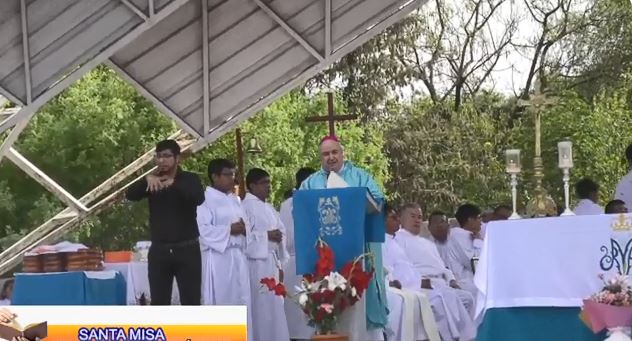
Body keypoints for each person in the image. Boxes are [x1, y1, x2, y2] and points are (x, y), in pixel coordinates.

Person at [299, 135, 388, 339]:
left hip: (356, 251)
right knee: (325, 299)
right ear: (320, 157)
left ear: (342, 153)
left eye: (334, 152)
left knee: (357, 304)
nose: (330, 157)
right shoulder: (310, 183)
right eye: (325, 154)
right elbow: (301, 208)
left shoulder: (360, 176)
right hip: (324, 253)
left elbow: (378, 202)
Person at [126, 139, 205, 305]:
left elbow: (198, 197)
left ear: (177, 159)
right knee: (159, 302)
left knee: (191, 301)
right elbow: (130, 194)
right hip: (159, 251)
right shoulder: (153, 181)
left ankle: (192, 332)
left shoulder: (189, 179)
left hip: (187, 249)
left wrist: (174, 184)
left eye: (167, 156)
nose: (162, 160)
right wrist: (146, 179)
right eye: (159, 156)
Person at [393, 203, 476, 340]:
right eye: (412, 216)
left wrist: (452, 280)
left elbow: (443, 267)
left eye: (419, 217)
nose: (417, 220)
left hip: (442, 283)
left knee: (467, 298)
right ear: (401, 219)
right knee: (440, 301)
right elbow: (402, 268)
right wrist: (419, 281)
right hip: (422, 285)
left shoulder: (428, 243)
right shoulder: (397, 240)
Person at [196, 159, 253, 339]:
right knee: (223, 303)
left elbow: (247, 225)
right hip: (219, 258)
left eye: (233, 174)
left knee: (242, 302)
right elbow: (202, 230)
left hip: (238, 258)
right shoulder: (204, 200)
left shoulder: (235, 200)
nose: (232, 179)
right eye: (228, 174)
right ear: (215, 176)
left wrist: (245, 229)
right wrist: (229, 230)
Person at [242, 168, 290, 341]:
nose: (268, 187)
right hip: (256, 265)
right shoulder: (245, 207)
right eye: (264, 183)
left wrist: (280, 260)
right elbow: (244, 237)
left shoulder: (269, 208)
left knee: (275, 306)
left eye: (269, 183)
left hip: (271, 261)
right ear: (252, 185)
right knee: (261, 308)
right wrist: (266, 236)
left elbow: (281, 230)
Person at [279, 167, 316, 340]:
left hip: (304, 261)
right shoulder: (290, 205)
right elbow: (289, 236)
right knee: (297, 314)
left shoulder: (288, 204)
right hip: (296, 261)